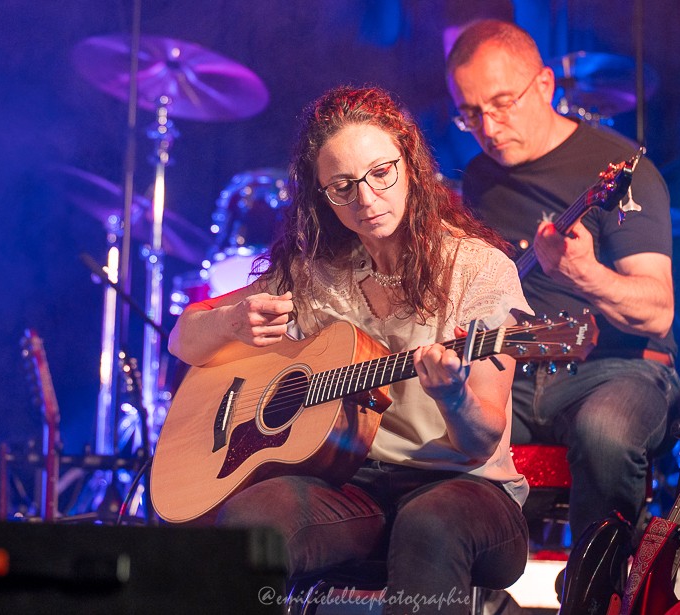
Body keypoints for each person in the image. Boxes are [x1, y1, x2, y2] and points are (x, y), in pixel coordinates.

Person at [167, 85, 533, 613]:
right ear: (321, 195)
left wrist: (454, 398)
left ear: (409, 164)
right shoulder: (316, 275)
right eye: (342, 187)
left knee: (428, 523)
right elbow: (183, 339)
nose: (365, 199)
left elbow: (481, 441)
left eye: (381, 173)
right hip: (352, 485)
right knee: (254, 521)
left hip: (467, 490)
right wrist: (231, 321)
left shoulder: (478, 270)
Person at [445, 19, 680, 548]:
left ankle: (593, 597)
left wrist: (585, 274)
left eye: (502, 103)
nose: (488, 126)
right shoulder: (480, 179)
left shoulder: (620, 170)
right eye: (470, 113)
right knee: (432, 432)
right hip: (513, 373)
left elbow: (658, 311)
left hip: (613, 369)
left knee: (605, 431)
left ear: (546, 85)